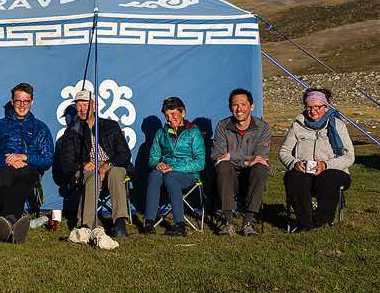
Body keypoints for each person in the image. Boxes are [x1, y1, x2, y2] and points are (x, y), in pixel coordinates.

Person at [0, 83, 54, 243]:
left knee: (22, 182)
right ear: (12, 102)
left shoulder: (41, 128)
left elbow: (47, 159)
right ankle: (13, 221)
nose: (22, 105)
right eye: (18, 101)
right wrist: (7, 159)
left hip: (28, 169)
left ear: (32, 102)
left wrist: (24, 157)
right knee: (3, 178)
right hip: (3, 168)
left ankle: (8, 221)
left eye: (25, 101)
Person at [57, 90, 133, 238]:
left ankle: (119, 223)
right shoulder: (72, 132)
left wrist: (107, 165)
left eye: (86, 104)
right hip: (88, 169)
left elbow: (125, 154)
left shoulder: (110, 126)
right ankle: (86, 225)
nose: (82, 109)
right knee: (93, 176)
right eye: (78, 105)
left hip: (111, 165)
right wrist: (82, 165)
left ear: (94, 106)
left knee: (116, 173)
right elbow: (66, 163)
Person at [280, 88, 355, 231]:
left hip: (334, 171)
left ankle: (322, 221)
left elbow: (349, 156)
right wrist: (294, 163)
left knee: (328, 177)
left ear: (326, 107)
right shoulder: (297, 125)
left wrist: (326, 165)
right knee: (294, 178)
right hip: (305, 171)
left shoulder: (338, 125)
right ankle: (306, 224)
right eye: (309, 107)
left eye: (317, 107)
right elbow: (284, 151)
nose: (313, 111)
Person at [211, 88, 271, 236]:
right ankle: (228, 222)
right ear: (230, 107)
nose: (239, 109)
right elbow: (217, 156)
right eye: (235, 105)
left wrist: (231, 156)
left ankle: (248, 223)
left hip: (251, 176)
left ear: (252, 106)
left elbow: (261, 156)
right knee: (223, 166)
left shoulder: (263, 127)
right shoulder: (222, 126)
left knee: (260, 168)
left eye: (243, 104)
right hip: (229, 177)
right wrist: (246, 161)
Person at [144, 97, 205, 236]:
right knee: (154, 175)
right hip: (165, 170)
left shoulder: (194, 132)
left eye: (173, 114)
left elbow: (200, 163)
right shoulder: (161, 133)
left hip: (188, 174)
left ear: (183, 113)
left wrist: (174, 167)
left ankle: (180, 225)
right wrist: (157, 164)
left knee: (171, 177)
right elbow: (152, 158)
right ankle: (149, 222)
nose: (170, 119)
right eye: (166, 116)